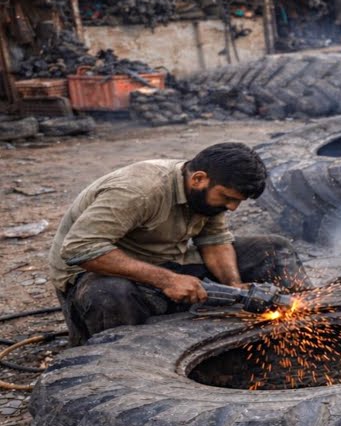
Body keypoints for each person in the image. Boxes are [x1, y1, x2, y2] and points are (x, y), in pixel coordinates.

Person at [48, 142, 309, 346]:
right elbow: (80, 249)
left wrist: (233, 284)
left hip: (168, 258)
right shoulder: (139, 190)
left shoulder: (206, 194)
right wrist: (166, 280)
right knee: (109, 294)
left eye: (238, 202)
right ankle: (125, 362)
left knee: (274, 250)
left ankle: (308, 330)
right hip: (97, 272)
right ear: (198, 179)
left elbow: (214, 241)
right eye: (228, 198)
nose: (232, 207)